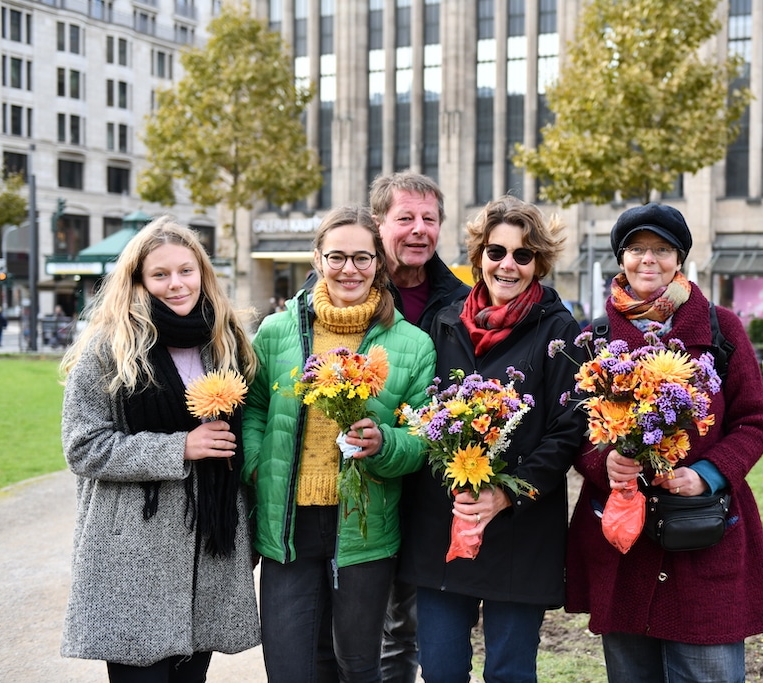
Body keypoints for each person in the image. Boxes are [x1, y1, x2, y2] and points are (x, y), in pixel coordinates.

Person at [565, 203, 763, 683]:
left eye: (661, 249)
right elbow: (575, 431)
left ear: (678, 258)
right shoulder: (594, 339)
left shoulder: (721, 329)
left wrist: (706, 474)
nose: (648, 260)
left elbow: (753, 421)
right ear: (620, 258)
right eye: (636, 249)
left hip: (705, 534)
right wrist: (605, 465)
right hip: (625, 543)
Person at [58, 216, 261, 682]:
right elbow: (83, 446)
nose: (176, 284)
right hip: (133, 553)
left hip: (208, 550)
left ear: (203, 273)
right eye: (161, 274)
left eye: (186, 271)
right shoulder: (108, 348)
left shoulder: (227, 342)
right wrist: (181, 448)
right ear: (140, 281)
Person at [243, 205, 437, 683]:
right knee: (292, 668)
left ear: (379, 264)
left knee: (357, 666)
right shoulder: (275, 331)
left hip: (364, 524)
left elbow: (422, 435)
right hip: (289, 521)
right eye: (337, 257)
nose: (349, 269)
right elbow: (253, 410)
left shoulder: (412, 344)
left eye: (362, 258)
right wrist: (259, 465)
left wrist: (385, 443)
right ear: (317, 258)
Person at [399, 195, 586, 682]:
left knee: (509, 672)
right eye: (496, 251)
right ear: (479, 254)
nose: (507, 265)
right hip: (442, 523)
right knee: (440, 671)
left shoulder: (559, 331)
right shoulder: (441, 321)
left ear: (538, 263)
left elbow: (567, 432)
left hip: (522, 532)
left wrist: (506, 493)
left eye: (522, 256)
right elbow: (419, 410)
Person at [369, 171, 470, 683]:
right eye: (404, 217)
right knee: (355, 627)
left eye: (429, 219)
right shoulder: (344, 287)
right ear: (377, 223)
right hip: (361, 485)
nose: (418, 230)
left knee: (405, 624)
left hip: (431, 488)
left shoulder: (463, 299)